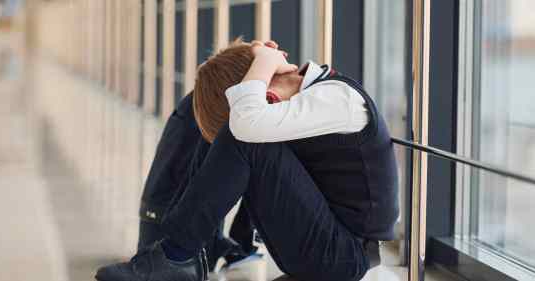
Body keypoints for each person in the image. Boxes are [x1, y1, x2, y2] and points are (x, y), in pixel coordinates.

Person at [96, 39, 398, 281]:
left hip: (343, 259)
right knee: (243, 134)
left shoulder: (337, 99)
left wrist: (263, 61)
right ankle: (179, 252)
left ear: (266, 95)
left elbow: (245, 124)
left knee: (244, 136)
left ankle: (177, 255)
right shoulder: (307, 104)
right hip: (319, 249)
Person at [95, 93, 259, 280]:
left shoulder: (211, 94)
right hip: (173, 239)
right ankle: (243, 247)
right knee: (247, 117)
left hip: (167, 238)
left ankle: (241, 246)